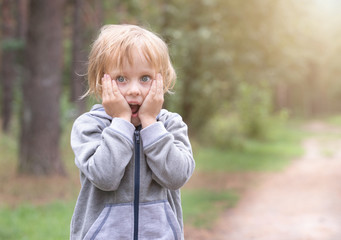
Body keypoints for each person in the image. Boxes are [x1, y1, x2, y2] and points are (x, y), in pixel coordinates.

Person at [70, 24, 195, 240]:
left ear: (161, 79)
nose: (134, 90)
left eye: (145, 78)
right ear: (101, 81)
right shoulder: (90, 126)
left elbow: (176, 176)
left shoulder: (170, 124)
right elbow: (105, 177)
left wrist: (150, 123)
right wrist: (120, 122)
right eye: (121, 79)